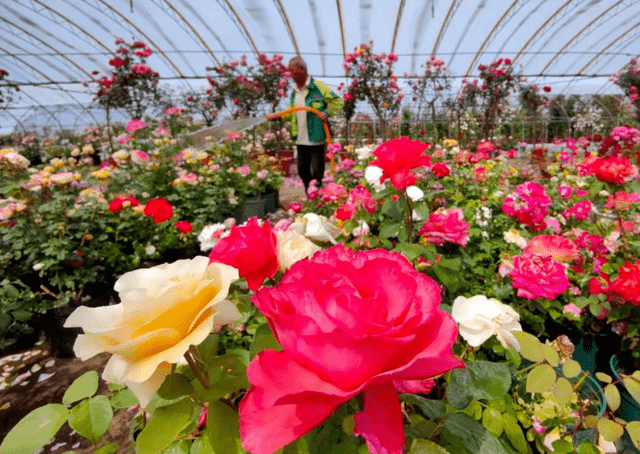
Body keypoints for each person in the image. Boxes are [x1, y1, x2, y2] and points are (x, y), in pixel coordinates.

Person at [267, 56, 343, 193]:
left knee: (318, 172)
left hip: (316, 138)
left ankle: (319, 198)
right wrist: (277, 117)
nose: (290, 75)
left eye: (292, 71)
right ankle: (310, 195)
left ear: (302, 69)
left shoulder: (318, 87)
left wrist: (327, 112)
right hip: (301, 139)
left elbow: (338, 101)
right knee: (302, 170)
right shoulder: (294, 92)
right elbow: (291, 113)